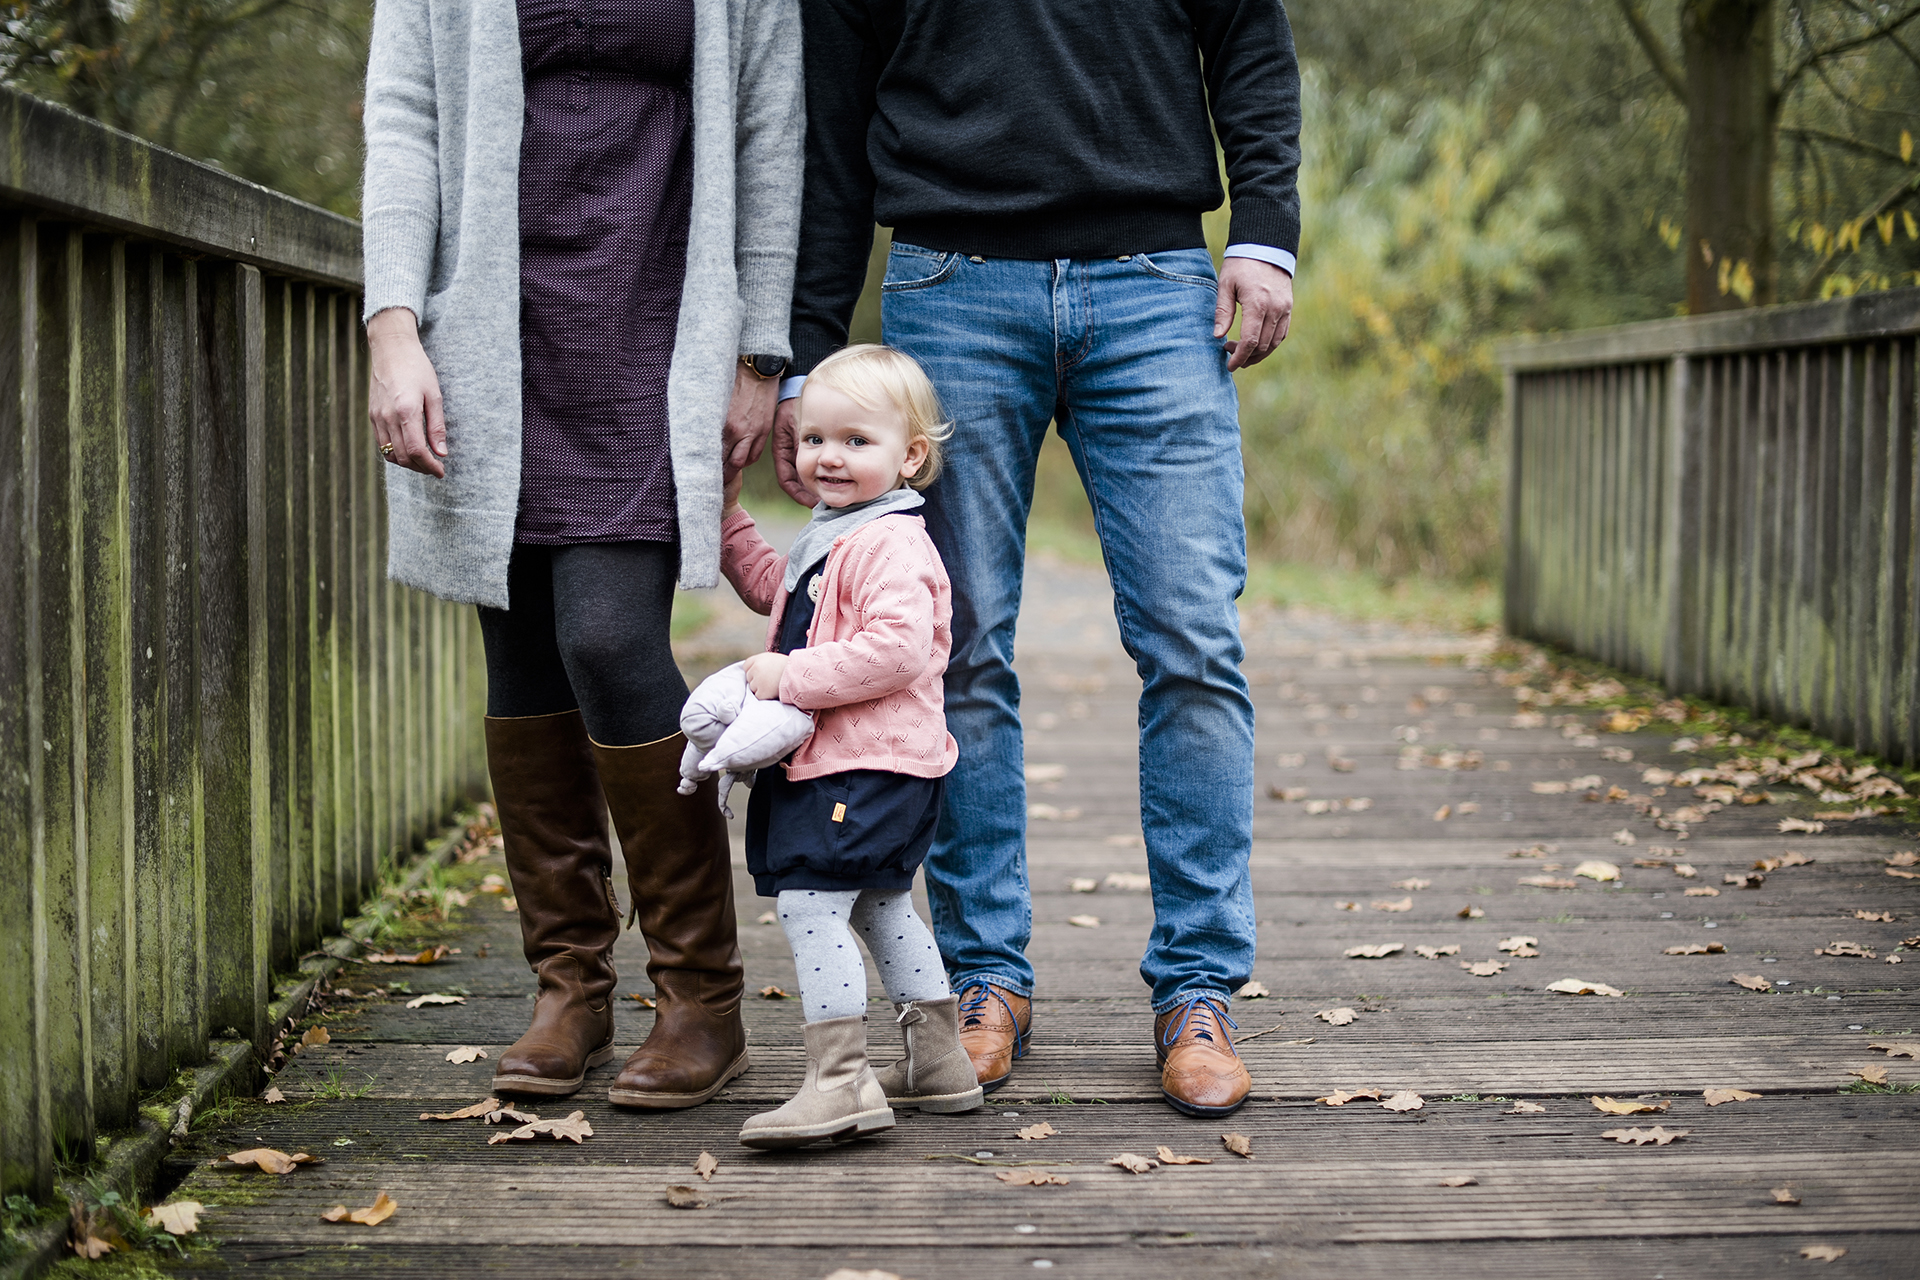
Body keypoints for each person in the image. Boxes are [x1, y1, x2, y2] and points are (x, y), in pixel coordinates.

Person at [773, 0, 1302, 1117]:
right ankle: (984, 976)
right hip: (950, 282)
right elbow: (829, 129)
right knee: (951, 647)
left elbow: (1248, 31)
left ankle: (1199, 988)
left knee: (1195, 639)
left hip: (1156, 279)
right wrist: (808, 357)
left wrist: (1265, 230)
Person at [360, 0, 802, 1106]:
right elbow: (404, 117)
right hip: (491, 325)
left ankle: (702, 996)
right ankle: (571, 987)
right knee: (520, 658)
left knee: (607, 638)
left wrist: (761, 350)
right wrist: (393, 323)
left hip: (661, 323)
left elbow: (769, 134)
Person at [715, 344, 979, 1148]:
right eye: (815, 439)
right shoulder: (842, 531)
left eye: (857, 441)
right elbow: (785, 593)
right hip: (870, 769)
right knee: (877, 901)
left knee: (809, 901)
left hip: (866, 764)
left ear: (911, 456)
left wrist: (788, 676)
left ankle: (839, 1081)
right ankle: (938, 1064)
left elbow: (899, 651)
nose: (828, 456)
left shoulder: (891, 543)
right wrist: (728, 524)